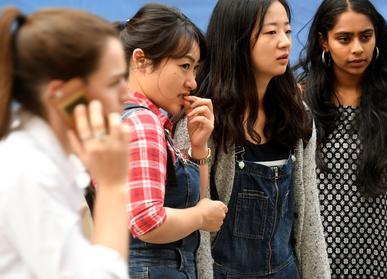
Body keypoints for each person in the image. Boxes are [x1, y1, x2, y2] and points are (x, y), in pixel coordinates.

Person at [173, 0, 330, 278]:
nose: (285, 43)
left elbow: (308, 221)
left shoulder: (298, 115)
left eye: (288, 31)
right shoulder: (202, 119)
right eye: (271, 33)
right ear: (238, 40)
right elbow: (193, 228)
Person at [297, 0, 387, 278]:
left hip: (380, 265)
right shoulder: (299, 101)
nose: (357, 48)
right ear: (324, 42)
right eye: (344, 39)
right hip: (310, 266)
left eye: (366, 36)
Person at [0, 7, 130, 278]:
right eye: (114, 82)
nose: (126, 94)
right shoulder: (30, 170)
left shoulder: (43, 160)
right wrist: (114, 186)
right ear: (64, 94)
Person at [116, 4, 227, 278]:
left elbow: (187, 202)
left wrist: (199, 149)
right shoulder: (142, 123)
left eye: (195, 69)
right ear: (140, 60)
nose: (192, 82)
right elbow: (146, 222)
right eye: (184, 66)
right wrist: (201, 217)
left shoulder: (137, 118)